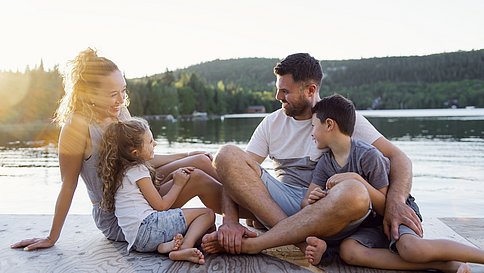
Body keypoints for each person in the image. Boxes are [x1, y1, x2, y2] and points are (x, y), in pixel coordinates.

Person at [202, 53, 421, 261]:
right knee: (226, 155)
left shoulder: (338, 119)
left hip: (330, 211)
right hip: (283, 206)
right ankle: (297, 241)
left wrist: (395, 203)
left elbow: (398, 157)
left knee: (355, 192)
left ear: (310, 90)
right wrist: (230, 221)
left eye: (285, 91)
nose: (278, 97)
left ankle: (272, 239)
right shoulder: (272, 123)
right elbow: (235, 174)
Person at [11, 48, 222, 251]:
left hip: (138, 192)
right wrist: (51, 237)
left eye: (123, 90)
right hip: (119, 216)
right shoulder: (77, 126)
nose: (121, 100)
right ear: (89, 95)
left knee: (202, 161)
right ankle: (241, 218)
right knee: (196, 178)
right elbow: (68, 185)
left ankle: (249, 213)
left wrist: (186, 155)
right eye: (113, 94)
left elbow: (140, 160)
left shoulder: (120, 112)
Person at [303, 94, 483, 272]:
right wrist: (315, 198)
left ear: (328, 124)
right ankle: (442, 265)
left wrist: (357, 180)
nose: (311, 133)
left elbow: (385, 206)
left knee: (412, 250)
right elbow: (306, 203)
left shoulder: (368, 155)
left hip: (396, 210)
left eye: (313, 126)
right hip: (369, 224)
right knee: (348, 252)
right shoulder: (325, 163)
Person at [98, 117, 214, 264]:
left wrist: (173, 176)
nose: (155, 143)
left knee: (207, 229)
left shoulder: (120, 172)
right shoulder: (138, 170)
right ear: (135, 152)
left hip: (137, 241)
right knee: (207, 214)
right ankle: (184, 248)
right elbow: (161, 206)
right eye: (151, 142)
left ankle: (164, 247)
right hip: (149, 227)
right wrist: (178, 183)